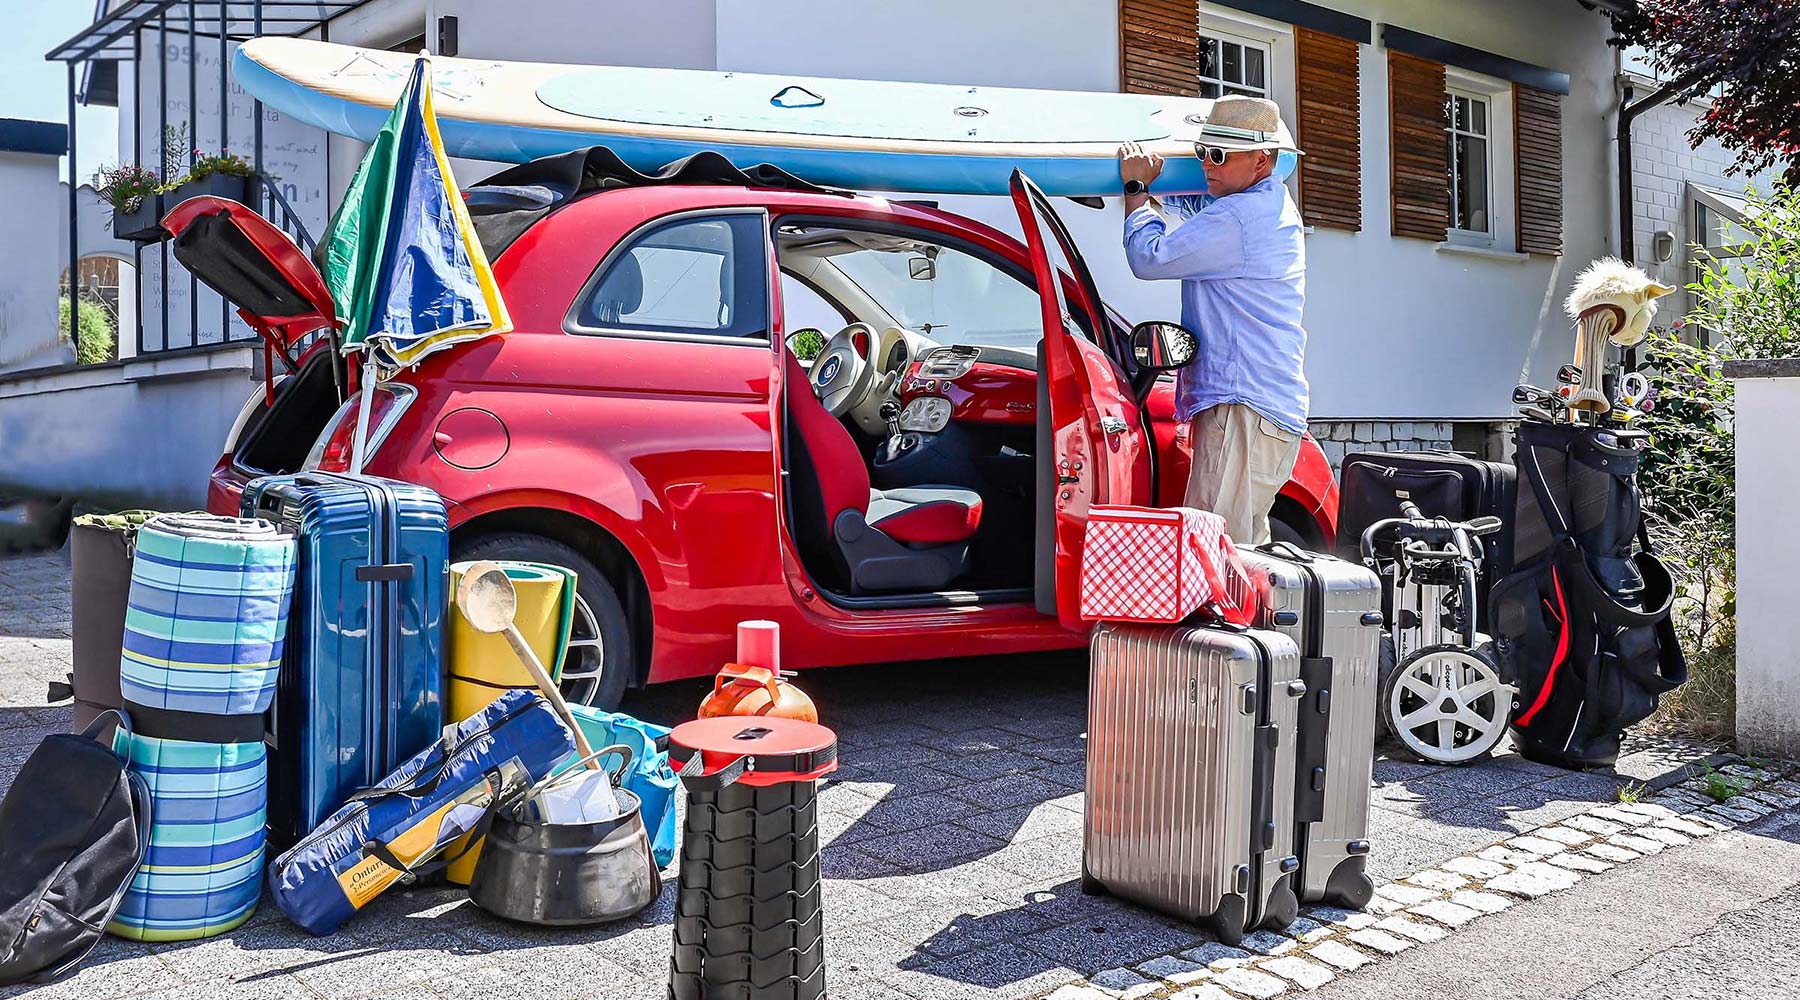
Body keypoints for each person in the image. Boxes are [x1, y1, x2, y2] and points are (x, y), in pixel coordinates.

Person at [1118, 95, 1309, 546]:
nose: (1207, 165)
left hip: (1242, 407)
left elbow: (1150, 258)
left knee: (1215, 555)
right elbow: (1197, 210)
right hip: (1257, 406)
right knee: (1242, 552)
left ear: (1262, 160)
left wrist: (1135, 191)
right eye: (1203, 153)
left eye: (1219, 155)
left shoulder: (1240, 216)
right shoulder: (1261, 205)